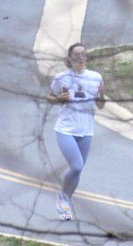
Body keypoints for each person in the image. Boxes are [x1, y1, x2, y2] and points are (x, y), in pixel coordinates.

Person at [47, 43, 105, 221]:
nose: (80, 59)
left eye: (83, 55)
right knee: (77, 166)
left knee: (78, 171)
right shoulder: (61, 78)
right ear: (69, 59)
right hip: (65, 129)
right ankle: (63, 197)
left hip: (86, 131)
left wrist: (101, 94)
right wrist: (58, 98)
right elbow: (49, 98)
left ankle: (66, 199)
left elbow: (100, 106)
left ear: (87, 58)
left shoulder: (95, 78)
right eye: (77, 56)